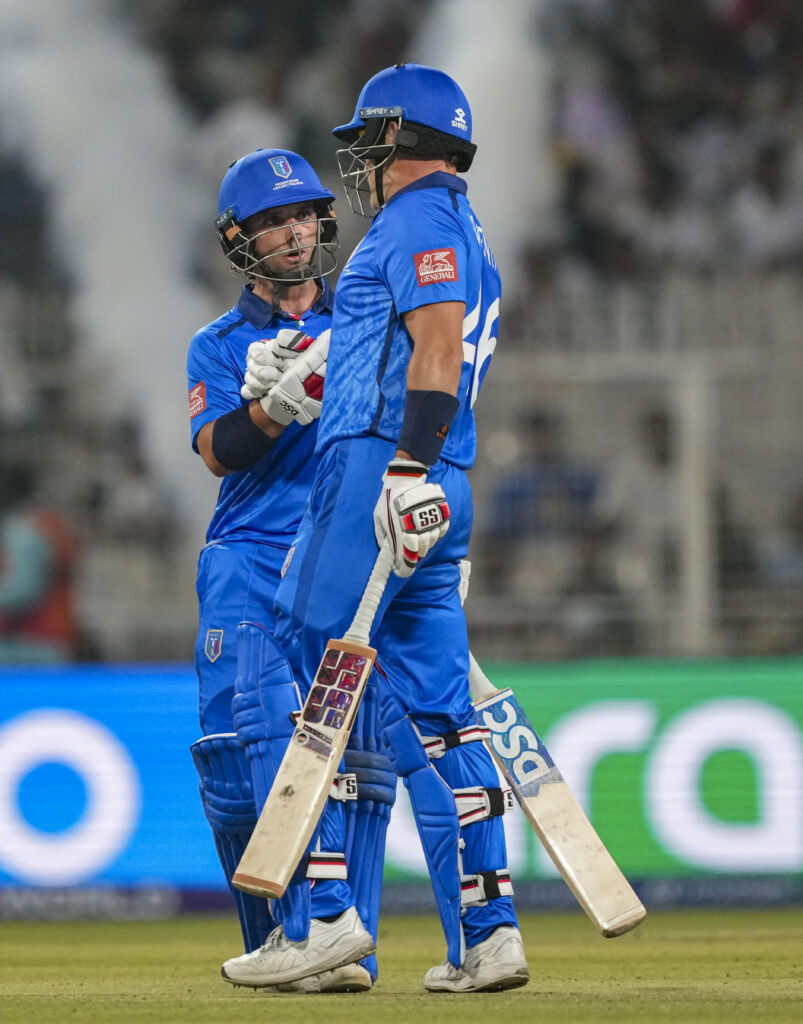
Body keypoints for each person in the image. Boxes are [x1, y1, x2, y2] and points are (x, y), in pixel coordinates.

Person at [221, 63, 529, 994]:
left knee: (293, 661)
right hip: (443, 477)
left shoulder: (416, 222)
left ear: (399, 140)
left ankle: (322, 917)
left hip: (376, 473)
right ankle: (489, 931)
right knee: (439, 710)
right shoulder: (468, 230)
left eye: (370, 139)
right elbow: (397, 345)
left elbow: (432, 350)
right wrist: (309, 365)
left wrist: (400, 472)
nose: (360, 159)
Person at [186, 148, 388, 993]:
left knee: (359, 754)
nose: (294, 231)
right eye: (273, 220)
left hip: (342, 555)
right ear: (241, 239)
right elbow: (216, 452)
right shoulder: (219, 343)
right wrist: (272, 407)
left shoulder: (367, 322)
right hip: (247, 559)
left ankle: (346, 943)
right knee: (239, 755)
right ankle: (281, 934)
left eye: (303, 214)